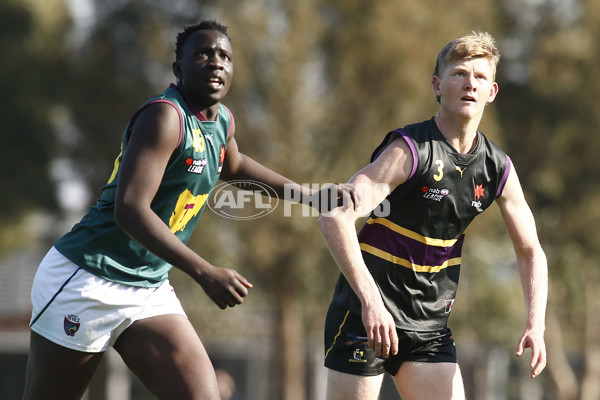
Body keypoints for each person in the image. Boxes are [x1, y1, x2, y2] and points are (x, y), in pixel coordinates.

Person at [22, 20, 354, 400]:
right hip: (86, 279)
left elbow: (236, 167)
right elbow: (130, 210)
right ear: (179, 69)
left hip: (146, 287)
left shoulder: (222, 120)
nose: (216, 62)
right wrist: (204, 271)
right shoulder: (164, 117)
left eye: (225, 57)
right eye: (203, 54)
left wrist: (311, 196)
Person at [318, 32, 548, 400]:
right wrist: (370, 301)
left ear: (492, 92)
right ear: (437, 86)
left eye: (480, 77)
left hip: (429, 326)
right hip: (366, 319)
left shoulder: (497, 168)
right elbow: (334, 215)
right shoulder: (410, 150)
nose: (469, 84)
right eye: (459, 74)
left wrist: (536, 324)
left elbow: (531, 251)